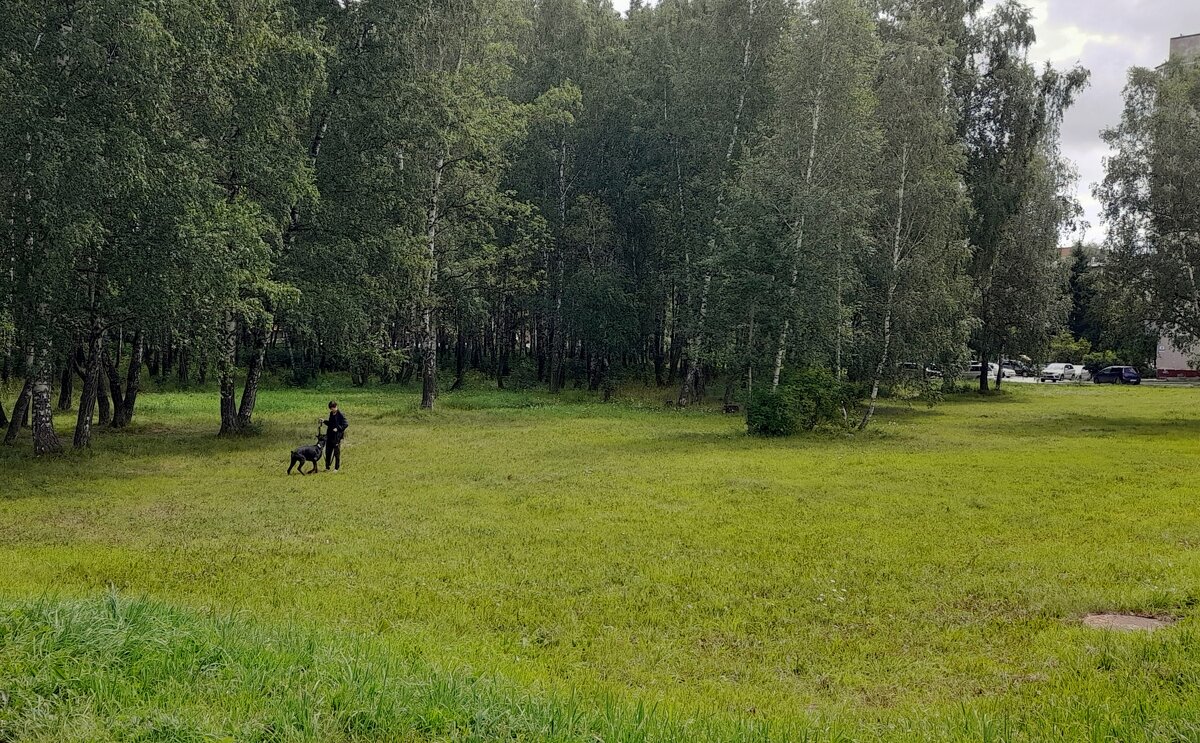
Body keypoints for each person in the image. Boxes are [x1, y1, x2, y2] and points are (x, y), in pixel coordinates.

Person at [321, 400, 349, 473]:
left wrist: (338, 428)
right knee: (328, 452)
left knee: (336, 453)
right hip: (329, 435)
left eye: (332, 408)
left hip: (336, 437)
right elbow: (330, 423)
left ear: (335, 407)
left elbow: (346, 424)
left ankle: (336, 468)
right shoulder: (331, 413)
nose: (331, 410)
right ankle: (327, 467)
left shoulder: (341, 414)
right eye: (330, 409)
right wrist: (324, 421)